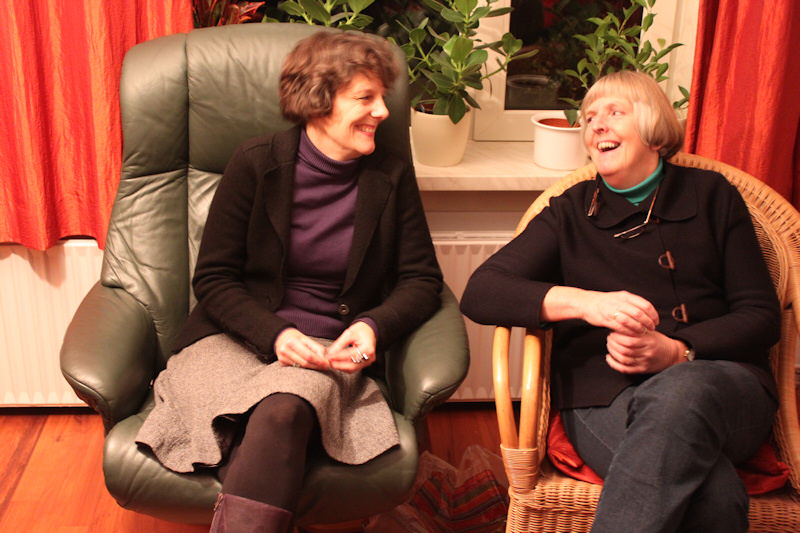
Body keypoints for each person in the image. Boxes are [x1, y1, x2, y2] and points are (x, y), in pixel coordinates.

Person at [135, 31, 443, 533]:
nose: (383, 111)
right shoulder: (255, 162)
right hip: (231, 339)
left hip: (325, 351)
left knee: (283, 412)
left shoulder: (389, 177)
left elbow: (421, 280)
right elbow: (213, 277)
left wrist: (373, 326)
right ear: (318, 100)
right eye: (365, 97)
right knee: (266, 429)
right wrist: (275, 334)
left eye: (383, 97)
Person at [460, 70, 780, 533]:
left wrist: (678, 352)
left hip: (724, 386)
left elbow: (761, 316)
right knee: (714, 498)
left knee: (680, 389)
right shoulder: (569, 211)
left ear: (654, 130)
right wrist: (587, 303)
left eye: (615, 112)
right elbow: (483, 290)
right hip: (603, 397)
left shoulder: (715, 196)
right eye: (590, 117)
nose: (597, 125)